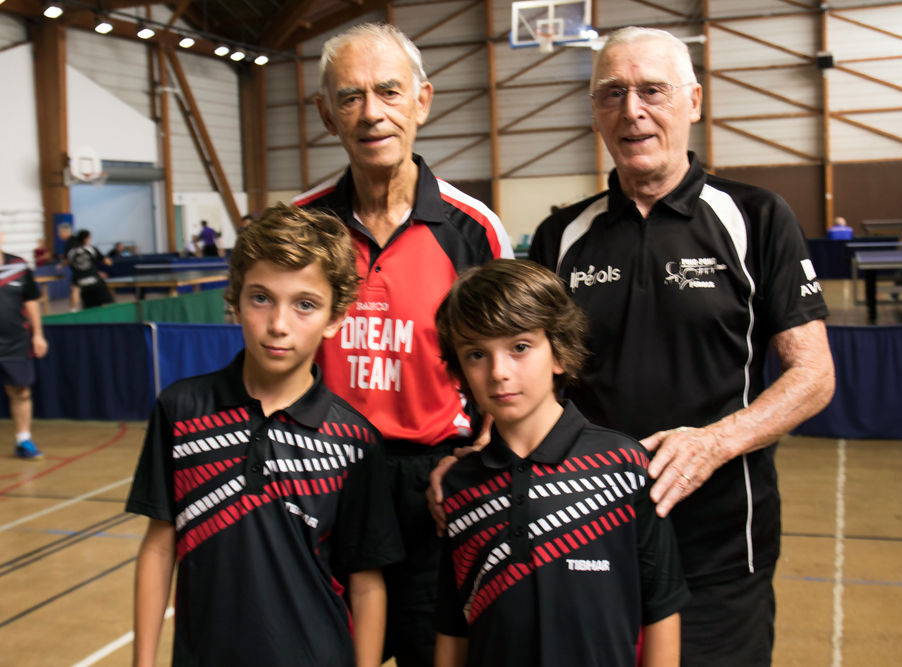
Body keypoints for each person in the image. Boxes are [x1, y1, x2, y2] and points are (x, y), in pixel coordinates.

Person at [428, 26, 835, 666]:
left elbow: (812, 375)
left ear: (693, 101)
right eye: (612, 93)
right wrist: (483, 444)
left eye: (652, 90)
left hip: (720, 546)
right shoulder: (563, 234)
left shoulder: (755, 217)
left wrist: (714, 442)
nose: (632, 110)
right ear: (595, 112)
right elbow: (528, 364)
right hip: (583, 539)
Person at [291, 22, 513, 667]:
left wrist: (479, 455)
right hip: (324, 480)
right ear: (326, 114)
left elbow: (509, 366)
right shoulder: (300, 227)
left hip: (434, 488)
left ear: (422, 100)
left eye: (388, 91)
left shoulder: (475, 230)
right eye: (350, 96)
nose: (371, 113)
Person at [126, 204, 404, 667]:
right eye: (261, 298)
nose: (278, 324)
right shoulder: (180, 410)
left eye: (305, 305)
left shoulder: (355, 440)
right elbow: (159, 546)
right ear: (235, 302)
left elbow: (366, 583)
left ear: (335, 318)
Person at [432, 259, 689, 667]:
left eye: (520, 347)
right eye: (477, 354)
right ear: (459, 372)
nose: (498, 372)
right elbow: (453, 627)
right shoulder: (458, 487)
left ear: (559, 353)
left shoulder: (625, 468)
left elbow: (661, 609)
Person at [0, 230, 49, 459]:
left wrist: (38, 334)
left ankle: (23, 440)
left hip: (15, 341)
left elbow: (31, 300)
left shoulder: (18, 266)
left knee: (20, 390)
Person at [67, 230, 114, 309]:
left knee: (90, 310)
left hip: (82, 285)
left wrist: (97, 272)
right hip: (95, 283)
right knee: (110, 306)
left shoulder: (71, 252)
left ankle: (73, 310)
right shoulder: (91, 249)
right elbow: (107, 262)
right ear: (86, 239)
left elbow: (77, 267)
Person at [55, 222, 81, 311]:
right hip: (81, 268)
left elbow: (69, 258)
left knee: (75, 289)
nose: (58, 234)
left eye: (60, 232)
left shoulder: (70, 242)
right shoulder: (75, 240)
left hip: (79, 270)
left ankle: (74, 310)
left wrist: (61, 265)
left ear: (66, 232)